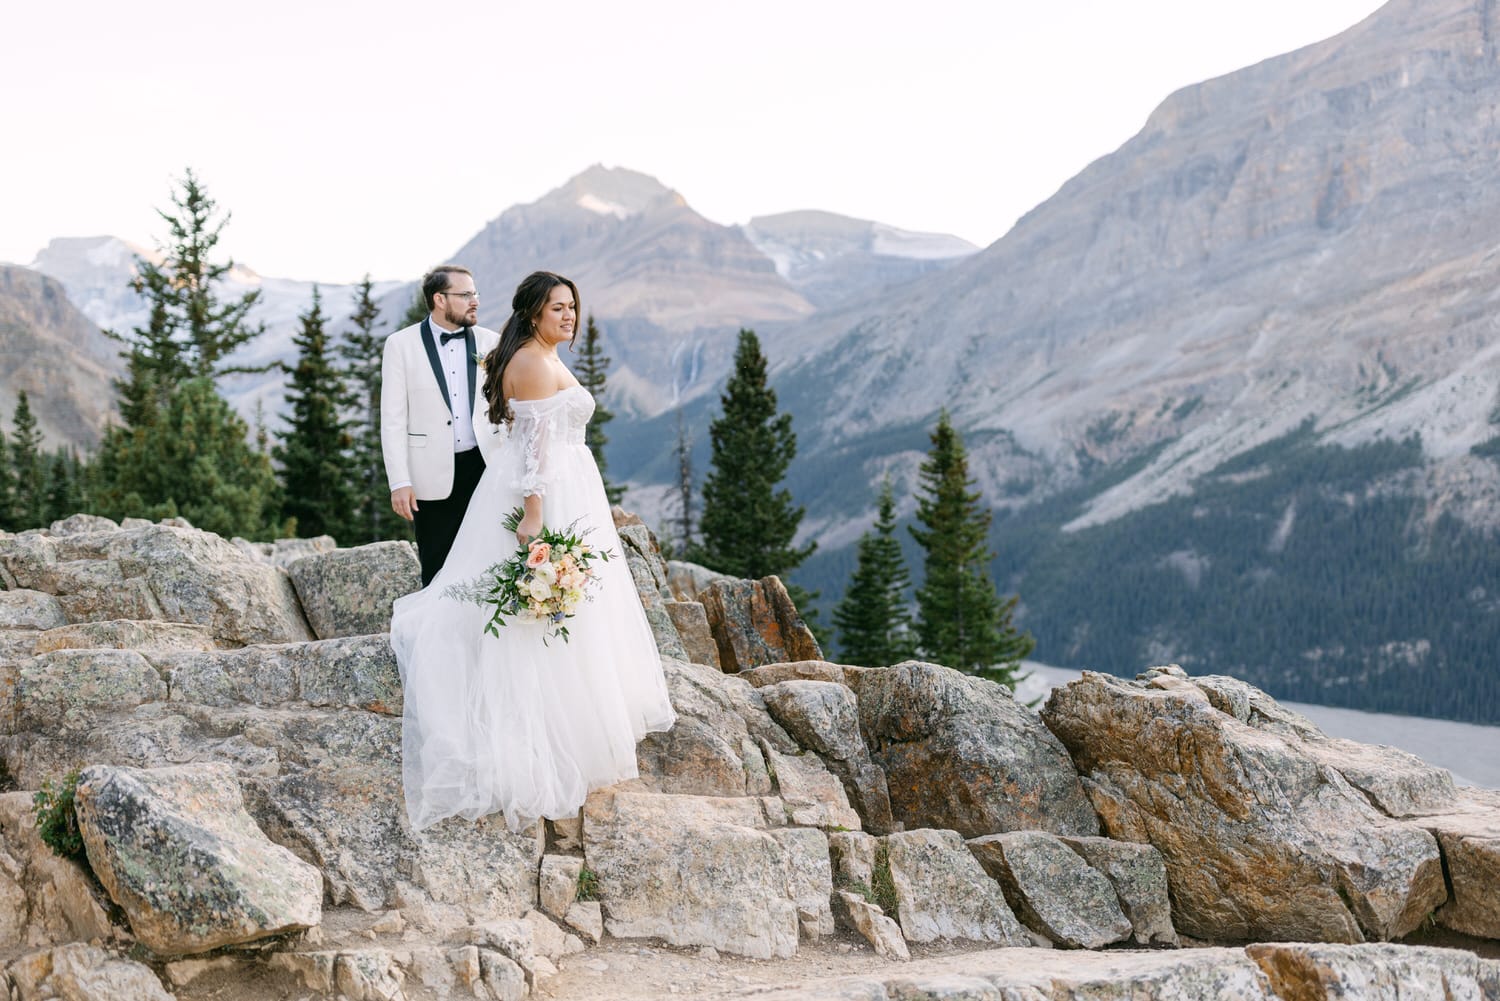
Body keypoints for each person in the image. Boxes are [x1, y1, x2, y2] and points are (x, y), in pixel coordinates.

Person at [389, 270, 677, 832]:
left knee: (569, 610)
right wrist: (536, 518)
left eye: (572, 306)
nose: (569, 317)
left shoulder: (529, 352)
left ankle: (573, 710)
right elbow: (536, 451)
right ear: (533, 313)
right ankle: (556, 725)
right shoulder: (533, 361)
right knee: (544, 610)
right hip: (550, 491)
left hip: (565, 483)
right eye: (557, 309)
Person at [381, 265, 500, 586]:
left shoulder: (493, 343)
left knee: (490, 560)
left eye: (475, 293)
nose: (474, 301)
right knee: (436, 566)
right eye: (465, 295)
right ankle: (437, 636)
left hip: (486, 468)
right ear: (440, 299)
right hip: (429, 475)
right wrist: (399, 481)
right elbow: (392, 420)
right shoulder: (399, 345)